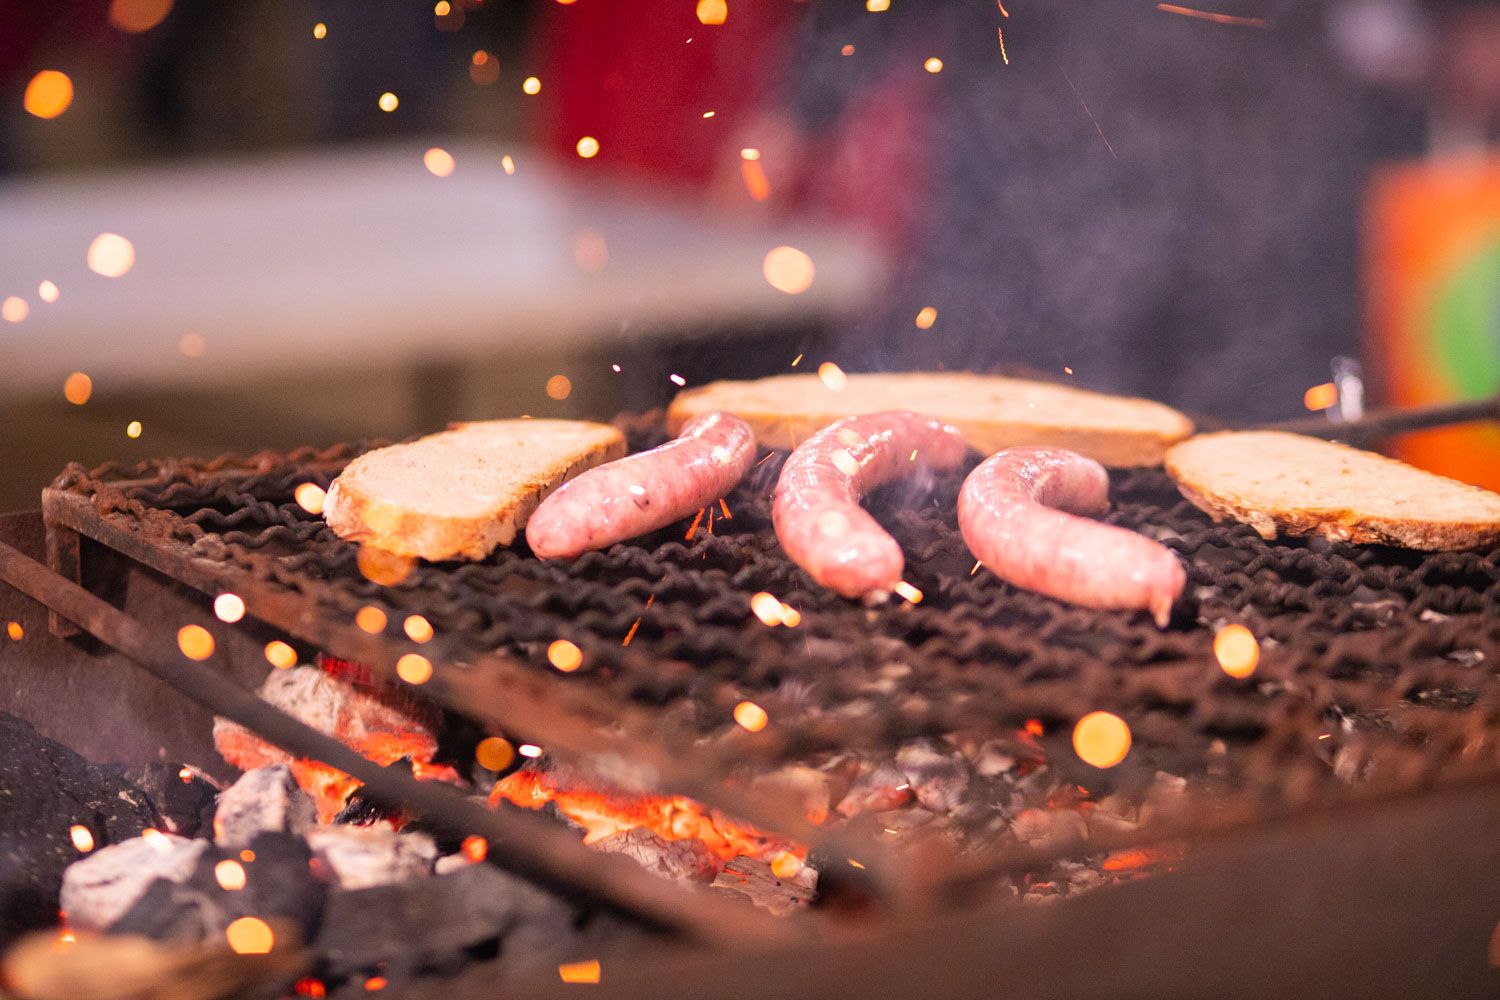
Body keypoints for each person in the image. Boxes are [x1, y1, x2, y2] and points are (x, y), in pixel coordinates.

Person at [726, 0, 1433, 423]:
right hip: (1037, 156)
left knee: (1269, 473)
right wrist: (802, 105)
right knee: (986, 445)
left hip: (1275, 185)